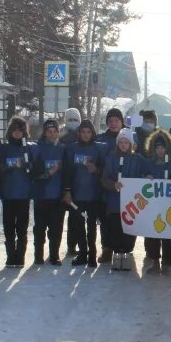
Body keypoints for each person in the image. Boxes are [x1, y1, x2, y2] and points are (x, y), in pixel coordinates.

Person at [100, 127, 150, 271]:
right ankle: (117, 254)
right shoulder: (110, 159)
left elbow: (146, 172)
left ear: (131, 144)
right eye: (120, 142)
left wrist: (146, 178)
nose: (123, 145)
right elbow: (104, 178)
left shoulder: (137, 160)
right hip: (114, 202)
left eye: (126, 142)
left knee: (129, 229)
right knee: (115, 228)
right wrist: (112, 184)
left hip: (132, 203)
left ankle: (127, 253)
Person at [0, 116, 39, 268]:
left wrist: (30, 166)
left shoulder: (29, 148)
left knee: (22, 227)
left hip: (24, 194)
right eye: (14, 130)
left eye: (20, 130)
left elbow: (36, 168)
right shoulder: (3, 149)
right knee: (8, 227)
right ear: (10, 132)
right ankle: (10, 256)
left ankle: (20, 256)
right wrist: (9, 164)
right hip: (8, 193)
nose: (17, 133)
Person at [62, 119, 105, 268]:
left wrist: (97, 170)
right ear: (79, 133)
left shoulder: (99, 149)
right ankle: (82, 253)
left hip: (93, 195)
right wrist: (67, 191)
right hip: (77, 195)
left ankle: (92, 254)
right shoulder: (72, 149)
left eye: (88, 132)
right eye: (83, 132)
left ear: (92, 133)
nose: (86, 135)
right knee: (78, 224)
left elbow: (105, 169)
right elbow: (67, 172)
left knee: (91, 225)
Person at [142, 128, 171, 269]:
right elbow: (141, 179)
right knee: (152, 232)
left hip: (169, 205)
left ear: (167, 148)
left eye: (162, 147)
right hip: (152, 205)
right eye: (157, 147)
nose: (160, 150)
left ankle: (168, 257)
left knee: (168, 231)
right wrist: (145, 178)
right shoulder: (148, 163)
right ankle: (153, 257)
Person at [32, 118, 67, 266]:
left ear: (58, 133)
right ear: (45, 133)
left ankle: (54, 255)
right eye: (49, 131)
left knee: (56, 227)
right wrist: (49, 173)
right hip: (41, 194)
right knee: (39, 227)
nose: (52, 134)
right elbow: (34, 172)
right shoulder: (37, 148)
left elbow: (67, 172)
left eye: (54, 132)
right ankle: (38, 255)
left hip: (57, 196)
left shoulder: (63, 149)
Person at [95, 107, 125, 263]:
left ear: (122, 122)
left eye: (117, 121)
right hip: (105, 185)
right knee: (105, 219)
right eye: (111, 121)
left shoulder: (128, 137)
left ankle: (123, 247)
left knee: (124, 218)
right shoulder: (100, 139)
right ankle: (107, 248)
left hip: (125, 187)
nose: (114, 123)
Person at [58, 107, 83, 254]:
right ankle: (55, 247)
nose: (73, 123)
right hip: (62, 182)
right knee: (59, 218)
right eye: (70, 119)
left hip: (78, 183)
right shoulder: (59, 137)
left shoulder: (83, 136)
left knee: (75, 217)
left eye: (75, 120)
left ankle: (72, 246)